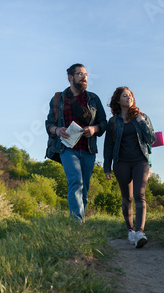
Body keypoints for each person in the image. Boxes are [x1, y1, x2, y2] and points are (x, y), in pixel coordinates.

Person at [45, 63, 107, 223]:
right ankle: (76, 222)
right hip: (67, 148)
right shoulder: (59, 99)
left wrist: (94, 129)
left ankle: (80, 219)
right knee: (75, 182)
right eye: (80, 74)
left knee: (84, 188)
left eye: (86, 74)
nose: (84, 77)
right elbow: (49, 123)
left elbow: (103, 123)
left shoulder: (93, 99)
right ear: (70, 77)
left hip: (88, 149)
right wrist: (57, 130)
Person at [103, 86, 156, 248]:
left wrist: (141, 122)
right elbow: (108, 146)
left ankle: (140, 232)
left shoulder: (143, 117)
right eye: (125, 96)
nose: (129, 98)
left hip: (141, 161)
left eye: (131, 96)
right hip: (121, 163)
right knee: (127, 198)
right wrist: (106, 167)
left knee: (140, 195)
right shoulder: (113, 122)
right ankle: (131, 231)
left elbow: (152, 139)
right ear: (118, 100)